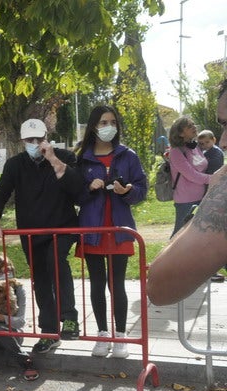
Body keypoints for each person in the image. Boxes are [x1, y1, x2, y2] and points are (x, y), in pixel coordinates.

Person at [0, 118, 87, 355]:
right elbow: (1, 191)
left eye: (39, 139)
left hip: (62, 228)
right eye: (29, 140)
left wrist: (53, 160)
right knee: (40, 280)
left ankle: (70, 318)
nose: (34, 143)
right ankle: (49, 332)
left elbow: (77, 188)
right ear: (22, 141)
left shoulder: (64, 157)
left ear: (46, 138)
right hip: (32, 232)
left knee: (55, 260)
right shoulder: (15, 164)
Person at [75, 105, 147, 358]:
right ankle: (103, 334)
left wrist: (127, 191)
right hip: (92, 230)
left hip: (119, 230)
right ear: (94, 126)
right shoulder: (82, 158)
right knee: (97, 283)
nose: (109, 127)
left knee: (117, 284)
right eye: (104, 122)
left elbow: (142, 190)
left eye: (113, 122)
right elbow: (74, 195)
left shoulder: (128, 156)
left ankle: (121, 336)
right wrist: (88, 188)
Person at [0, 255, 37, 380]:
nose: (5, 274)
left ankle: (26, 361)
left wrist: (1, 317)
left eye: (8, 270)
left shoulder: (18, 288)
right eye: (0, 272)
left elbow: (20, 322)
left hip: (10, 335)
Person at [167, 116, 213, 236]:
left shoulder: (195, 147)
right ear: (181, 133)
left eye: (193, 124)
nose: (194, 127)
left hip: (202, 197)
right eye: (189, 126)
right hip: (186, 200)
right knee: (179, 236)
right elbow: (192, 175)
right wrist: (213, 178)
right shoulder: (176, 152)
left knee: (196, 236)